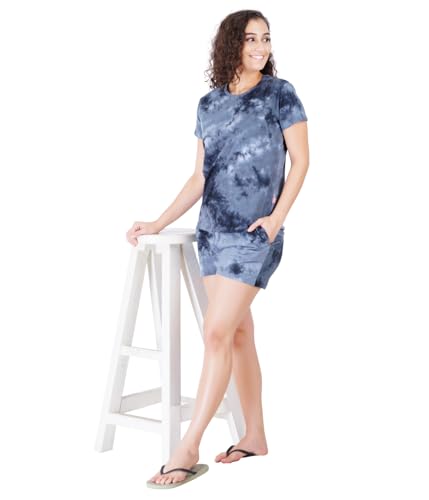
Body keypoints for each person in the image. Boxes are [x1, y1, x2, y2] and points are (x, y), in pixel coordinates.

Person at [126, 9, 309, 488]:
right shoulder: (208, 104)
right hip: (212, 233)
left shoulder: (280, 93)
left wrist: (276, 219)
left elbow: (303, 161)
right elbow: (199, 178)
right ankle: (255, 436)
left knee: (215, 333)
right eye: (251, 39)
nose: (261, 47)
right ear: (231, 44)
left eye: (266, 38)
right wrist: (158, 221)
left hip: (254, 235)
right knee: (238, 333)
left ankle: (188, 447)